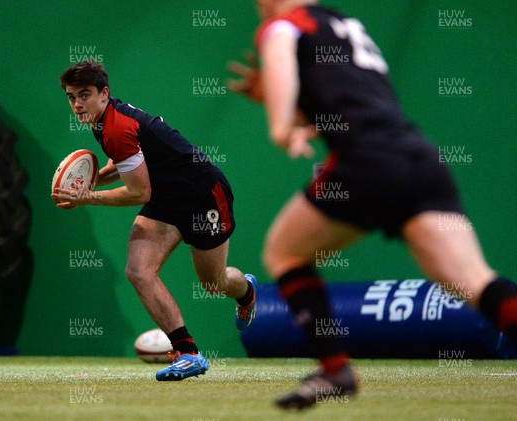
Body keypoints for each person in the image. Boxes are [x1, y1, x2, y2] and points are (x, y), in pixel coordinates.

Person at [228, 0, 517, 410]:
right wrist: (284, 100)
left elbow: (280, 65)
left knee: (283, 251)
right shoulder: (341, 22)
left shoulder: (284, 26)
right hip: (418, 157)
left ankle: (335, 369)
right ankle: (334, 371)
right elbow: (341, 94)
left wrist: (279, 126)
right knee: (474, 281)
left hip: (366, 161)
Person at [52, 60, 258, 381]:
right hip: (166, 198)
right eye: (71, 97)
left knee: (213, 283)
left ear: (104, 94)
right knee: (138, 271)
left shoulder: (117, 126)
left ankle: (245, 292)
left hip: (202, 196)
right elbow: (125, 164)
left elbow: (138, 193)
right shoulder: (101, 120)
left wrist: (88, 197)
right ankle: (188, 353)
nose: (77, 104)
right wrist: (91, 182)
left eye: (84, 95)